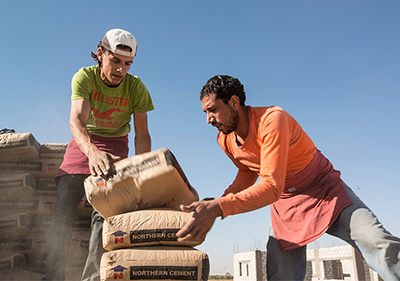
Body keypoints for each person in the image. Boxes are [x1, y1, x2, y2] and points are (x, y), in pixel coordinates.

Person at [176, 75, 400, 280]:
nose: (208, 119)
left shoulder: (273, 120)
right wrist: (217, 202)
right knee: (279, 272)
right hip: (287, 204)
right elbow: (247, 171)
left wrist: (219, 207)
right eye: (206, 112)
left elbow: (272, 186)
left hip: (324, 189)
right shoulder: (225, 140)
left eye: (212, 110)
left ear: (234, 102)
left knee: (378, 243)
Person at [45, 28, 154, 281]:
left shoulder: (136, 87)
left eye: (127, 64)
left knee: (104, 212)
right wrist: (92, 152)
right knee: (62, 209)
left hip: (116, 145)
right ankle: (53, 276)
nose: (121, 70)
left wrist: (141, 172)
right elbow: (76, 122)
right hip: (84, 142)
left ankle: (93, 278)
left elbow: (142, 135)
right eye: (115, 61)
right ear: (100, 53)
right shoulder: (84, 77)